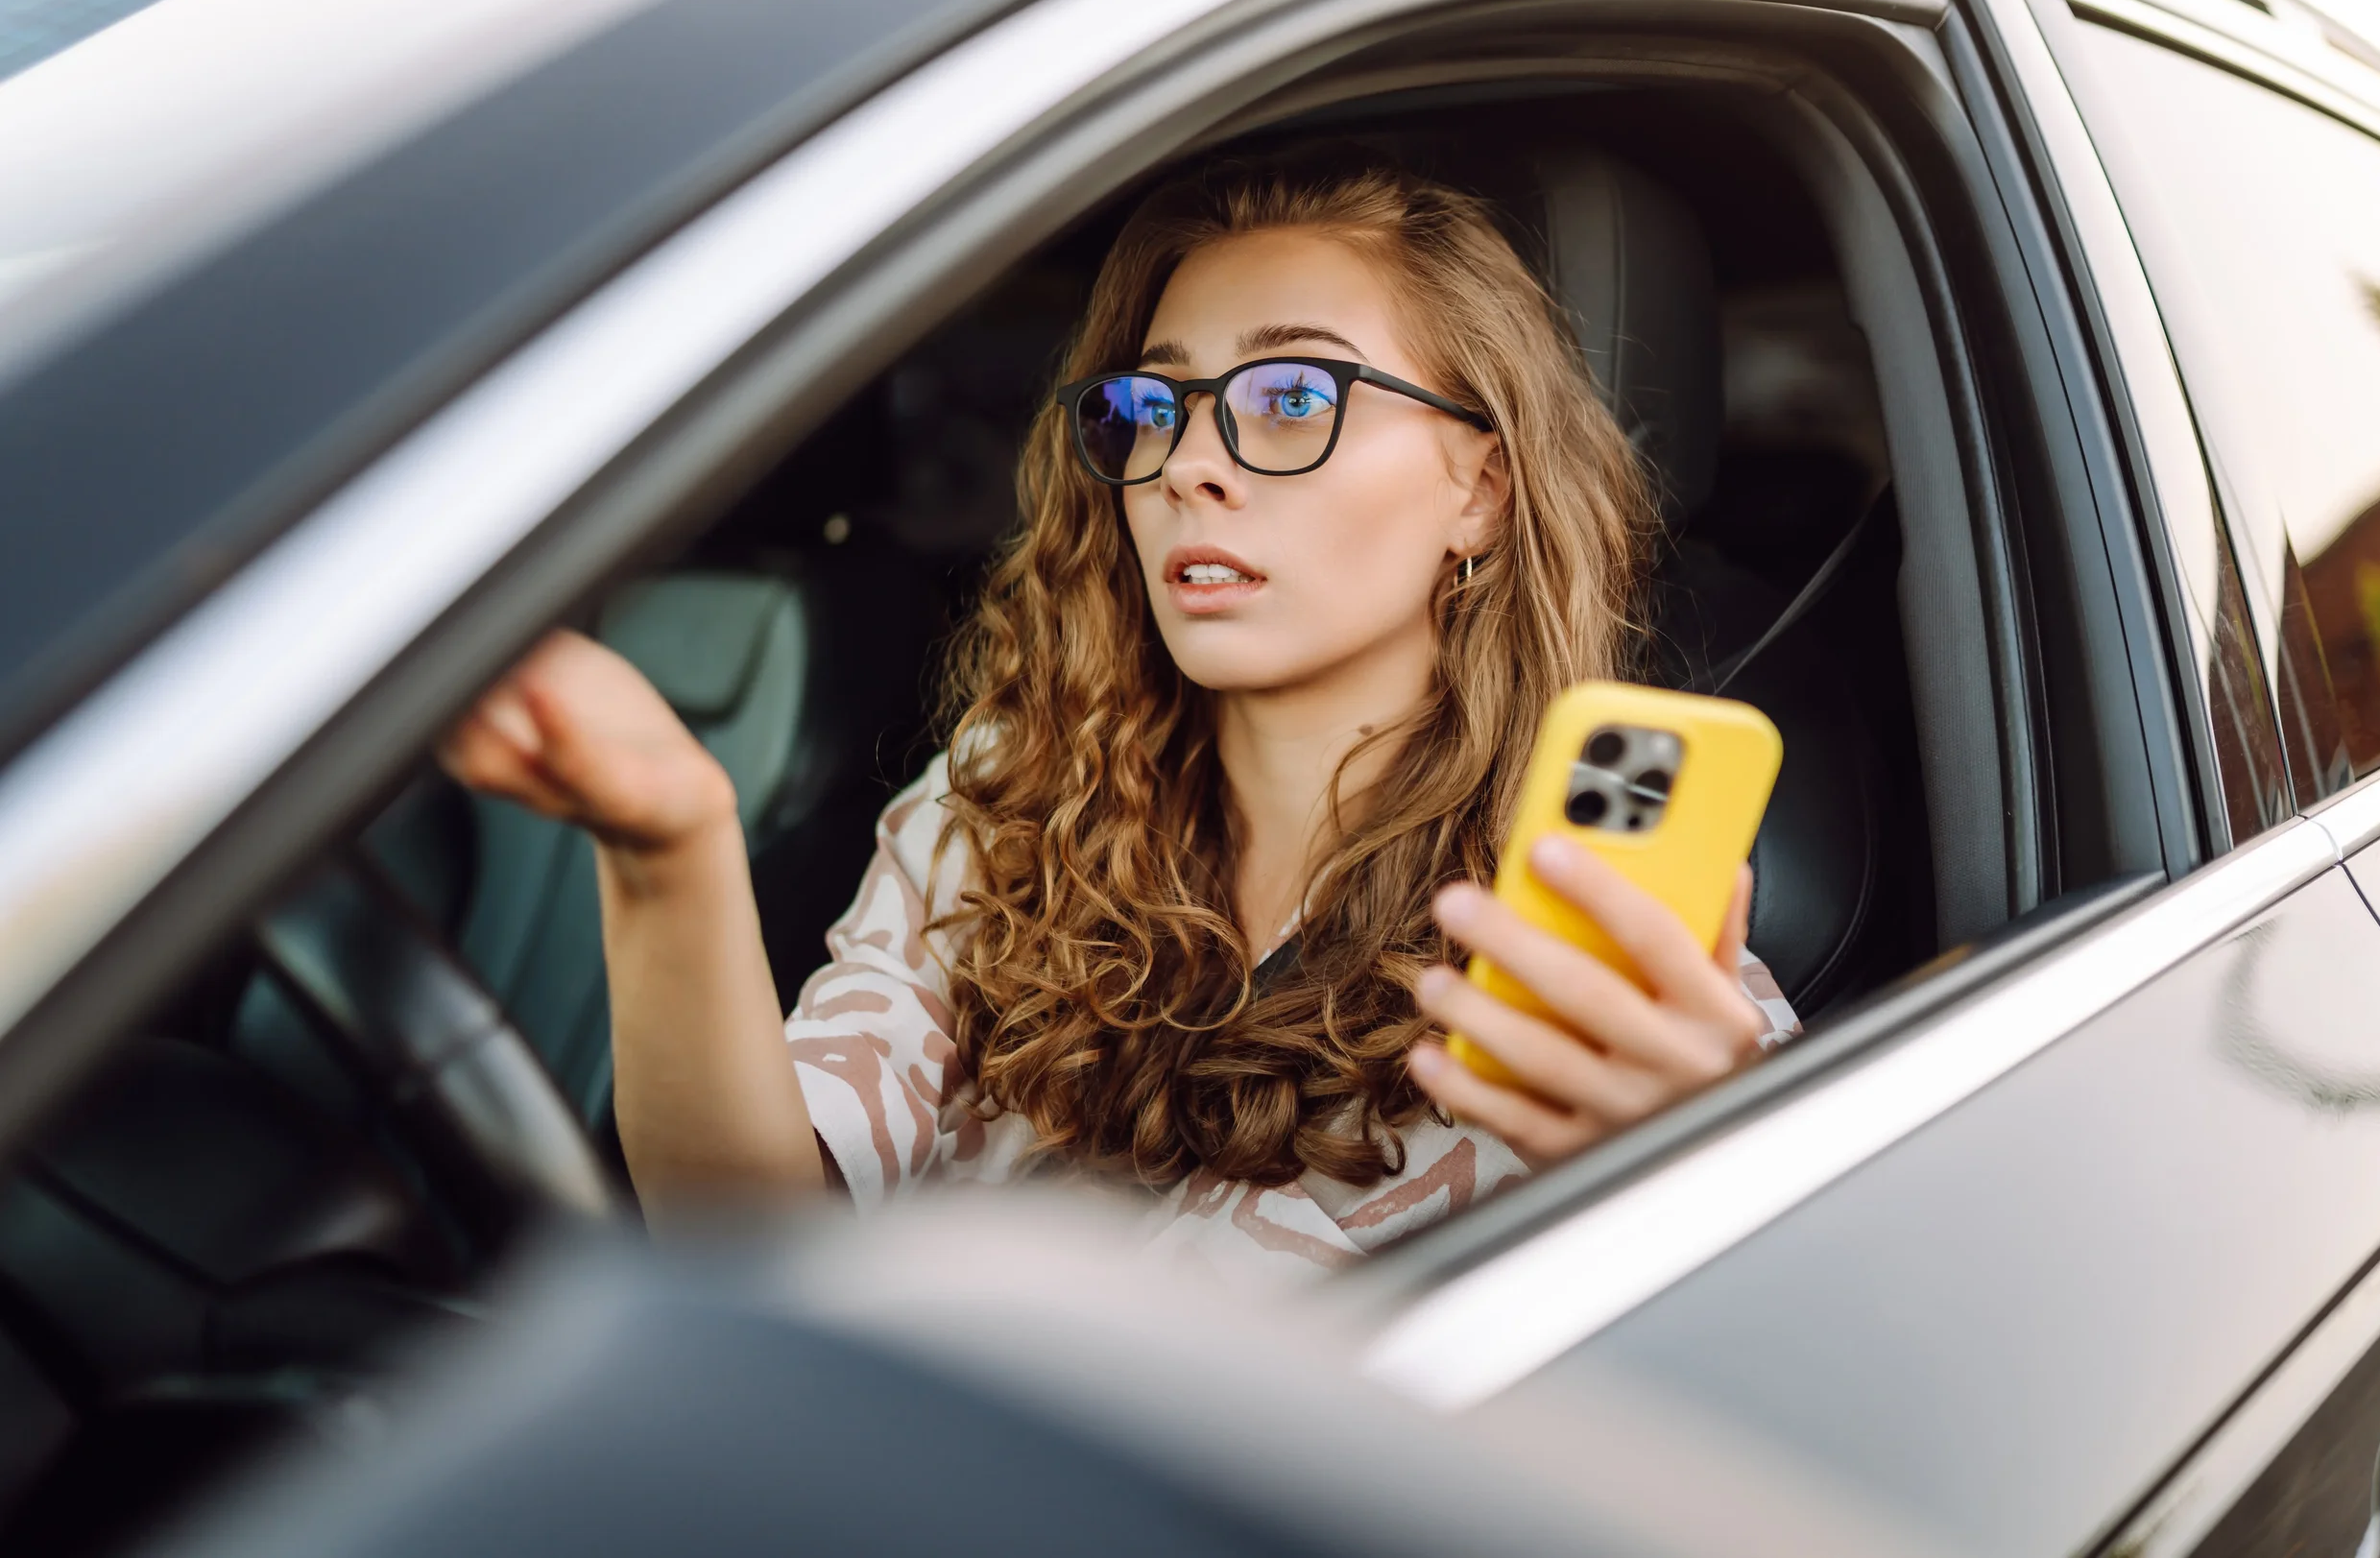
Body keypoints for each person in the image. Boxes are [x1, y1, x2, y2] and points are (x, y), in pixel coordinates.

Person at [442, 146, 1796, 1276]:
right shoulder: (1009, 791)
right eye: (1154, 406)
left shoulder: (1611, 952)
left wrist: (1711, 1181)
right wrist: (670, 840)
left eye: (1288, 397)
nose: (1188, 464)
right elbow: (746, 1236)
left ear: (1481, 490)